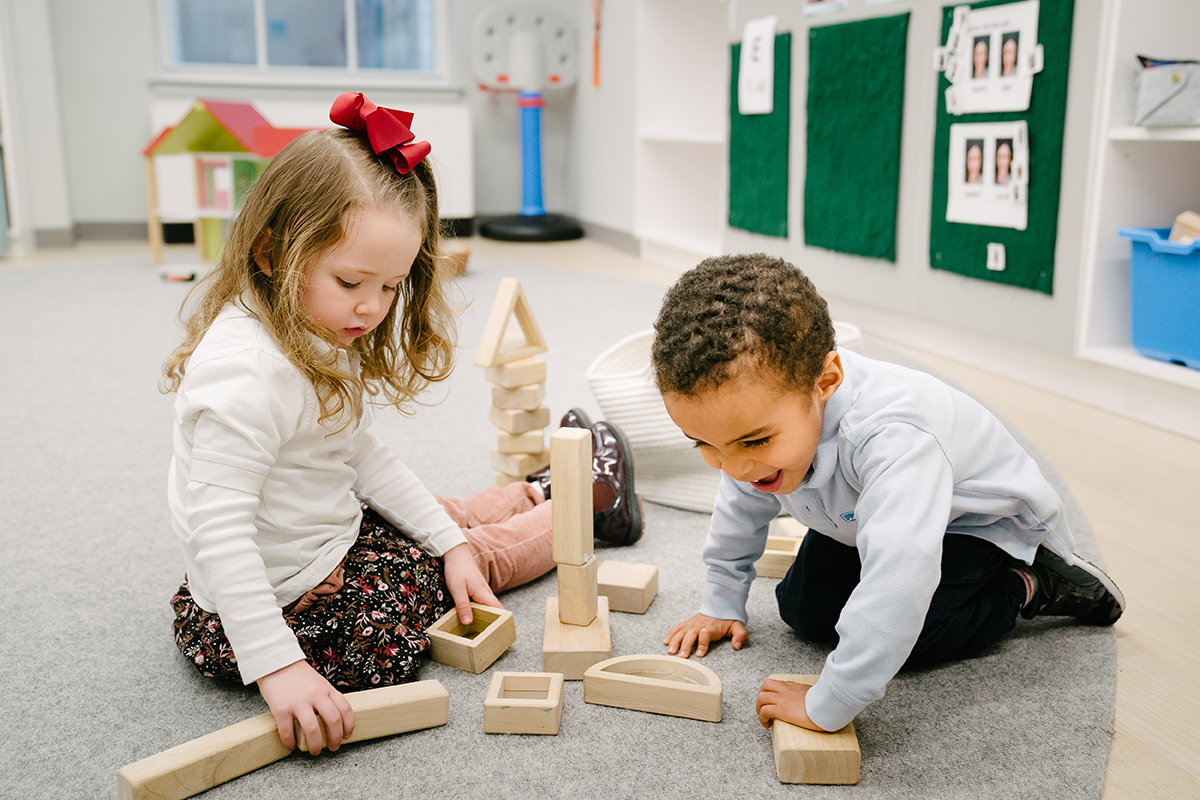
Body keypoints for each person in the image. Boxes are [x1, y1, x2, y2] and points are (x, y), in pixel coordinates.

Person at [161, 92, 641, 756]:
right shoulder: (245, 377)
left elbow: (360, 457)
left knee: (445, 529)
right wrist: (279, 667)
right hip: (277, 600)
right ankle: (587, 503)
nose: (372, 308)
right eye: (353, 281)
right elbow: (219, 531)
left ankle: (538, 491)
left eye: (390, 288)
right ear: (272, 252)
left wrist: (450, 541)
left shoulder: (304, 326)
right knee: (447, 581)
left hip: (320, 536)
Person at [651, 254, 1124, 735]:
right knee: (803, 609)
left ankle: (1026, 585)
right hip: (864, 517)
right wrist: (721, 600)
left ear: (827, 381)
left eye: (754, 442)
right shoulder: (757, 426)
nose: (733, 467)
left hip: (974, 524)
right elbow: (741, 506)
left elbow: (901, 574)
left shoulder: (893, 437)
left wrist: (830, 701)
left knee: (911, 635)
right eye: (705, 444)